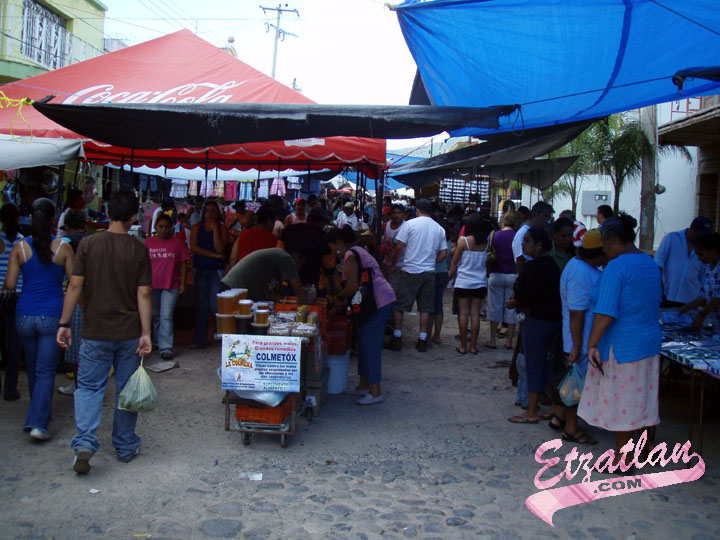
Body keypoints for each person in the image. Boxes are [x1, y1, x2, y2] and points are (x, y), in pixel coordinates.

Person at [57, 190, 152, 474]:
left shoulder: (88, 244)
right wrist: (146, 333)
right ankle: (125, 445)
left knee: (88, 388)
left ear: (108, 213)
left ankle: (85, 442)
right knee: (126, 391)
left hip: (95, 331)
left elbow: (75, 286)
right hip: (129, 333)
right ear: (133, 217)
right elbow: (144, 294)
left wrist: (64, 324)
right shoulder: (139, 249)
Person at [579, 214, 662, 472]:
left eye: (605, 244)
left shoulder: (617, 267)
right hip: (648, 342)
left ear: (614, 240)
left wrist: (591, 344)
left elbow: (606, 311)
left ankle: (623, 460)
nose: (603, 250)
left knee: (622, 402)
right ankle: (646, 447)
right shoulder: (649, 263)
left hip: (622, 346)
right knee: (643, 398)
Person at [3, 198, 73, 441]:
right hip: (52, 316)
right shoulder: (64, 248)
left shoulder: (20, 248)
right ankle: (38, 422)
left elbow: (10, 284)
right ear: (54, 219)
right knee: (45, 370)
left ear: (31, 218)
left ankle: (40, 413)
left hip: (24, 315)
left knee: (34, 367)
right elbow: (75, 283)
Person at [327, 226, 396, 405]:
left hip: (380, 302)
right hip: (378, 300)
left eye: (332, 247)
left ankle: (375, 391)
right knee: (364, 341)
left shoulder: (350, 255)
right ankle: (364, 385)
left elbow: (351, 287)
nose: (333, 251)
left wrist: (338, 299)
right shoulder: (358, 251)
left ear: (338, 243)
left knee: (369, 344)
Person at [555, 229, 606, 445]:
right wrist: (576, 346)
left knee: (575, 383)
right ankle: (571, 428)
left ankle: (560, 418)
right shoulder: (580, 272)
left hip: (582, 340)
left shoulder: (584, 267)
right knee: (575, 386)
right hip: (580, 341)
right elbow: (577, 313)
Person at [508, 226, 561, 424]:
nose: (523, 244)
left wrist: (515, 302)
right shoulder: (552, 264)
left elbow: (526, 294)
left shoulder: (533, 266)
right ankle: (554, 407)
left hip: (537, 320)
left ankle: (531, 411)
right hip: (553, 320)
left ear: (538, 245)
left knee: (534, 364)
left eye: (527, 241)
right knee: (548, 363)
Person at [389, 199, 447, 352]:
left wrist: (393, 264)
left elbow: (399, 247)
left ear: (417, 210)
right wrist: (432, 262)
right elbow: (444, 253)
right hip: (429, 273)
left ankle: (397, 337)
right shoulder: (439, 229)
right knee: (426, 308)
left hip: (410, 270)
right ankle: (422, 339)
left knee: (400, 306)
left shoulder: (409, 224)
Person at [144, 214, 189, 360]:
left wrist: (182, 283)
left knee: (166, 316)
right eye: (161, 227)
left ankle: (166, 347)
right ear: (155, 227)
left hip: (171, 285)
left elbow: (183, 263)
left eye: (166, 227)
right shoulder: (147, 243)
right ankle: (157, 342)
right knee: (155, 315)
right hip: (151, 286)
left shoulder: (177, 243)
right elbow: (141, 265)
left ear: (171, 228)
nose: (163, 230)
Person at [450, 215, 493, 355]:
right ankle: (473, 347)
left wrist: (450, 275)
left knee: (463, 313)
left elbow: (455, 261)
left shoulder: (463, 241)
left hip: (463, 282)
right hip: (479, 283)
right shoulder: (486, 244)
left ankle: (463, 346)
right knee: (475, 314)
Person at [57, 209, 88, 396]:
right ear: (84, 225)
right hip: (92, 297)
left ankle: (79, 386)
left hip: (74, 298)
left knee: (75, 349)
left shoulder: (64, 243)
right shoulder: (91, 241)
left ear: (67, 227)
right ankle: (88, 385)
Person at [189, 200, 228, 350]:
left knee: (215, 305)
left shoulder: (222, 229)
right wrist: (213, 255)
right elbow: (194, 248)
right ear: (203, 213)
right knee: (202, 306)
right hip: (200, 269)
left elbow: (220, 249)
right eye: (207, 211)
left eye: (213, 211)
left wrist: (215, 230)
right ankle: (199, 340)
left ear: (218, 213)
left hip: (215, 270)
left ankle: (220, 338)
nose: (210, 214)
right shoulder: (196, 228)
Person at [654, 217, 711, 307]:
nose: (701, 237)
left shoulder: (704, 247)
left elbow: (703, 276)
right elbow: (658, 265)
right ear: (692, 229)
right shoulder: (672, 238)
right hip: (667, 296)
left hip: (690, 301)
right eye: (699, 234)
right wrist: (660, 289)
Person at [486, 210, 520, 350]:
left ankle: (492, 340)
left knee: (494, 307)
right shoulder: (518, 236)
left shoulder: (494, 235)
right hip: (513, 275)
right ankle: (509, 342)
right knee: (511, 309)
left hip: (496, 274)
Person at [0, 202, 23, 401]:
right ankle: (10, 389)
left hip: (0, 294)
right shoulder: (23, 243)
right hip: (17, 295)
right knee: (13, 344)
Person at [219, 247, 302, 301]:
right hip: (232, 291)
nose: (297, 271)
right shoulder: (286, 258)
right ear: (296, 256)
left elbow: (270, 295)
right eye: (299, 265)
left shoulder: (275, 264)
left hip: (235, 291)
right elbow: (299, 291)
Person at [679, 232, 720, 330]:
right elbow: (704, 296)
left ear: (713, 250)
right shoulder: (707, 267)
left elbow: (717, 299)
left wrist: (702, 314)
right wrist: (687, 308)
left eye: (701, 254)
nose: (699, 258)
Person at [512, 201, 554, 275]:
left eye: (549, 218)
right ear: (535, 214)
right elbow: (520, 260)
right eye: (545, 216)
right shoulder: (524, 232)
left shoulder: (535, 231)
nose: (547, 221)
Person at [430, 215, 452, 345]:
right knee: (438, 305)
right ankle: (436, 335)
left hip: (433, 272)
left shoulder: (434, 240)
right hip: (443, 273)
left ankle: (427, 334)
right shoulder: (448, 242)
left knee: (428, 305)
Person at [380, 203, 405, 290]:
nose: (396, 215)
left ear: (402, 214)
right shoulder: (386, 225)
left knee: (394, 289)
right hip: (386, 262)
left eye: (399, 213)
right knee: (386, 288)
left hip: (399, 264)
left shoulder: (406, 226)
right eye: (394, 213)